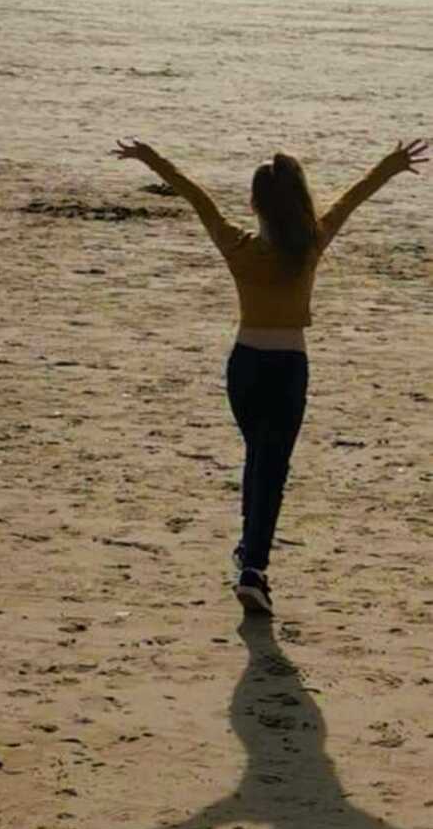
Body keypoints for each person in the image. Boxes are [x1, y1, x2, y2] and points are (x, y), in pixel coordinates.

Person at [111, 137, 429, 614]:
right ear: (299, 201)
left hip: (244, 367)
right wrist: (392, 164)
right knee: (271, 466)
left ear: (255, 203)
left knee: (259, 456)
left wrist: (150, 158)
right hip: (287, 368)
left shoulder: (236, 243)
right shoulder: (311, 243)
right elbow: (352, 199)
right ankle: (253, 569)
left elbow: (195, 194)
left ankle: (248, 549)